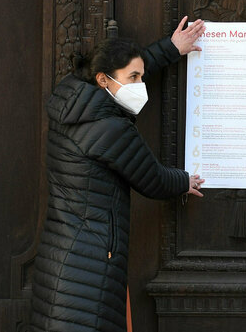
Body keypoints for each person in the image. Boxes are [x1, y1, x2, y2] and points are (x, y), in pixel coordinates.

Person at [30, 17, 208, 332]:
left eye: (141, 75)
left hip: (63, 250)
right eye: (134, 78)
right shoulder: (110, 129)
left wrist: (169, 49)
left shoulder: (73, 98)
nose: (140, 85)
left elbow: (125, 70)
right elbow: (152, 179)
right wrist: (185, 180)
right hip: (92, 258)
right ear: (104, 80)